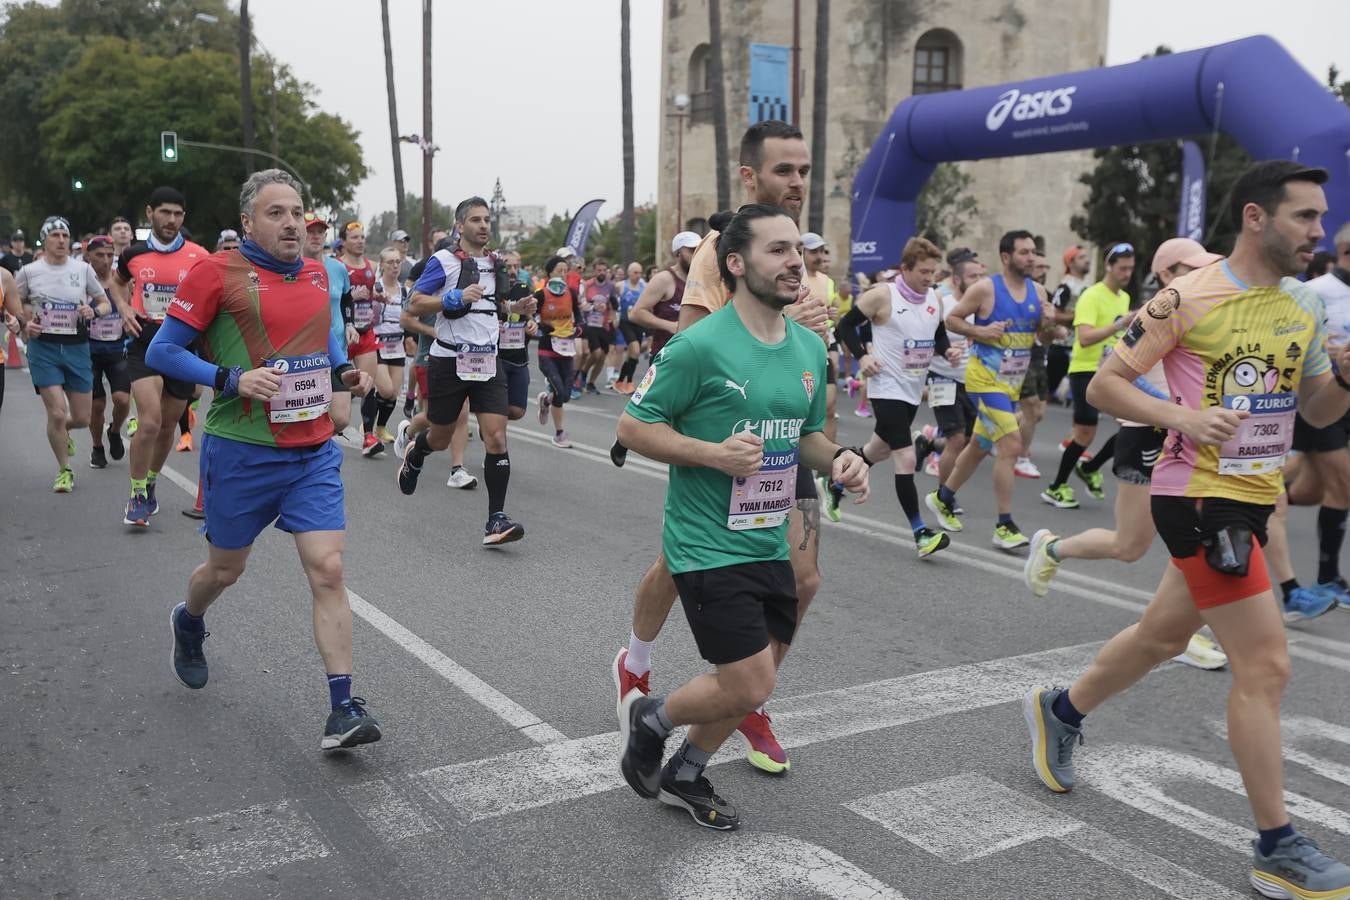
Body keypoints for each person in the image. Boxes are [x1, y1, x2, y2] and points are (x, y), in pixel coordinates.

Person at [1023, 161, 1350, 899]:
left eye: (1321, 218)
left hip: (1251, 497)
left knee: (1163, 637)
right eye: (1306, 217)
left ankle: (1061, 709)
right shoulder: (1188, 296)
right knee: (1265, 666)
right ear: (1257, 218)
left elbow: (1319, 414)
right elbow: (1105, 382)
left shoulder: (1302, 307)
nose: (1318, 232)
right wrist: (1182, 416)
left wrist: (1345, 381)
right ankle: (1278, 847)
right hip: (1198, 498)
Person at [616, 204, 868, 830]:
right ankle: (653, 717)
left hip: (768, 538)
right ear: (736, 263)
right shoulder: (698, 346)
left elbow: (805, 433)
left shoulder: (809, 346)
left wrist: (839, 457)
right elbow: (633, 426)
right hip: (707, 542)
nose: (795, 263)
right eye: (778, 251)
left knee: (754, 678)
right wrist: (713, 454)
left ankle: (686, 769)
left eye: (799, 252)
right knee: (751, 683)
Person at [613, 121, 830, 775]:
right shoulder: (722, 252)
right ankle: (641, 662)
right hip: (727, 436)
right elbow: (697, 344)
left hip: (784, 437)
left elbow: (801, 341)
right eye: (784, 171)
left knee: (804, 579)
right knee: (681, 565)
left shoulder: (798, 248)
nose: (797, 182)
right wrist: (707, 448)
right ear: (749, 176)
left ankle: (746, 695)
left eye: (804, 170)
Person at [144, 169, 380, 750]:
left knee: (328, 569)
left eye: (297, 212)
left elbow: (325, 355)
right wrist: (230, 378)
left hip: (311, 450)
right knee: (225, 570)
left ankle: (342, 707)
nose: (292, 223)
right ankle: (190, 620)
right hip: (242, 452)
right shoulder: (214, 273)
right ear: (248, 222)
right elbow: (162, 351)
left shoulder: (323, 274)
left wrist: (344, 375)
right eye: (277, 213)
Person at [1024, 237, 1235, 669]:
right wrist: (1176, 409)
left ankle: (1183, 628)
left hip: (1190, 442)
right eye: (1190, 268)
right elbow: (1115, 376)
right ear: (1165, 274)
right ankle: (1052, 549)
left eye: (1205, 266)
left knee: (1200, 532)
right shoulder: (1156, 311)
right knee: (1130, 545)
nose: (1202, 274)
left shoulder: (1207, 311)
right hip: (1144, 436)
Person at [397, 196, 527, 545]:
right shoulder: (443, 261)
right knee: (439, 437)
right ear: (460, 226)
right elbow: (414, 303)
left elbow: (495, 307)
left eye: (486, 220)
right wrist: (452, 299)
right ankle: (417, 451)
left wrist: (517, 307)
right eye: (475, 220)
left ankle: (495, 520)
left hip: (487, 361)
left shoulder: (498, 263)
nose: (483, 225)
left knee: (496, 437)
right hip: (449, 361)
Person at [836, 237, 958, 555]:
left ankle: (833, 483)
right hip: (885, 386)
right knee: (905, 456)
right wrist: (862, 357)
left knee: (877, 450)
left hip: (912, 389)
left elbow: (938, 333)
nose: (930, 278)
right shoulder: (881, 295)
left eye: (933, 272)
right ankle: (920, 533)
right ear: (904, 269)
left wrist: (949, 352)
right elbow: (845, 327)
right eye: (923, 272)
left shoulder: (934, 298)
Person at [925, 230, 1044, 549]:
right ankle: (1004, 525)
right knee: (1010, 445)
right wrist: (982, 331)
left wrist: (1053, 330)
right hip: (982, 379)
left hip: (1011, 382)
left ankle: (943, 496)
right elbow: (952, 321)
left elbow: (1044, 330)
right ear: (1006, 257)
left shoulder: (1038, 292)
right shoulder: (986, 288)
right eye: (1023, 252)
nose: (1031, 257)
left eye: (1033, 252)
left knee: (978, 444)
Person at [111, 187, 210, 524]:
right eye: (165, 212)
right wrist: (123, 306)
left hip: (181, 346)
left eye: (178, 214)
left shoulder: (199, 255)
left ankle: (150, 484)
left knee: (168, 425)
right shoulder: (133, 254)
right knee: (150, 420)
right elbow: (116, 281)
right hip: (144, 341)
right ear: (150, 212)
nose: (171, 220)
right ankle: (137, 494)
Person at [14, 217, 112, 490]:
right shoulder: (29, 272)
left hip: (77, 347)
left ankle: (65, 430)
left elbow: (104, 303)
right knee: (56, 413)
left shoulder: (82, 269)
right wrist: (25, 322)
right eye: (54, 235)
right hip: (43, 348)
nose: (60, 240)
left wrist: (93, 311)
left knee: (81, 417)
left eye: (64, 235)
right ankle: (64, 469)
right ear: (44, 240)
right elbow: (14, 303)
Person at [1041, 243, 1138, 508]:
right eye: (1122, 268)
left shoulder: (1124, 298)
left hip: (1112, 372)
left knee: (1132, 426)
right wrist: (1120, 324)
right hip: (1085, 370)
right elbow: (1084, 338)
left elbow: (1119, 336)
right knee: (1085, 434)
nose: (1127, 273)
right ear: (1108, 266)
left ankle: (1090, 467)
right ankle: (1056, 487)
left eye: (1131, 268)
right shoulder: (1092, 295)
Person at [1295, 221, 1350, 605]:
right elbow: (1285, 341)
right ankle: (1328, 578)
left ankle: (1257, 505)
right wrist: (1321, 351)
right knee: (1345, 485)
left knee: (1311, 490)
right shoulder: (1314, 291)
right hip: (1320, 399)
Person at [914, 252, 983, 482]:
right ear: (956, 279)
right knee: (956, 439)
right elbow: (922, 344)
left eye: (981, 276)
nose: (979, 281)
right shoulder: (944, 305)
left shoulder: (983, 308)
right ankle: (944, 497)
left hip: (972, 381)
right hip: (941, 376)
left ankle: (928, 444)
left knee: (973, 439)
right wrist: (945, 352)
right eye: (973, 276)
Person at [84, 235, 131, 469]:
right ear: (88, 256)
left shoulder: (121, 282)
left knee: (122, 399)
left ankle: (114, 430)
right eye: (99, 255)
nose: (105, 260)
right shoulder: (82, 281)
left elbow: (131, 308)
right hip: (89, 350)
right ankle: (97, 447)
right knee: (97, 405)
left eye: (109, 255)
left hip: (116, 348)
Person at [337, 222, 383, 456]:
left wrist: (379, 296)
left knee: (368, 385)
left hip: (365, 333)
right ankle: (330, 427)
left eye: (363, 237)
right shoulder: (337, 267)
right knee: (340, 393)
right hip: (343, 336)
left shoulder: (372, 266)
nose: (360, 241)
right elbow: (332, 299)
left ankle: (369, 436)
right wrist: (351, 297)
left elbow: (378, 294)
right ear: (343, 241)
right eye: (354, 237)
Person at [533, 254, 583, 448]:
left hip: (566, 349)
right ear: (550, 272)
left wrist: (579, 329)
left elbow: (579, 317)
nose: (563, 273)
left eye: (565, 270)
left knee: (566, 395)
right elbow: (531, 317)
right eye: (559, 270)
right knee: (559, 391)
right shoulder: (541, 294)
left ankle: (546, 401)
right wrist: (540, 326)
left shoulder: (570, 292)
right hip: (547, 350)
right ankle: (559, 433)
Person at [1014, 252, 1055, 478]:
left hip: (1038, 355)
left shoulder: (1041, 293)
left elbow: (1046, 334)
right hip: (1016, 355)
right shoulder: (1009, 290)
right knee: (1030, 407)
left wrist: (1051, 324)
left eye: (1044, 266)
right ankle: (1020, 457)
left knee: (1038, 412)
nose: (1041, 270)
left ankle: (994, 430)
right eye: (1038, 265)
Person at [370, 246, 407, 444]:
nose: (394, 266)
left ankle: (380, 428)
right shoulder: (375, 288)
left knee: (393, 393)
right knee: (385, 389)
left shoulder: (405, 290)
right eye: (390, 262)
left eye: (397, 262)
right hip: (378, 344)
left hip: (397, 345)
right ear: (382, 264)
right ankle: (368, 425)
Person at [495, 251, 537, 424]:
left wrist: (532, 324)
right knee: (496, 408)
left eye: (515, 267)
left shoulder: (522, 289)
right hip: (496, 359)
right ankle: (492, 426)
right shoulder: (492, 289)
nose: (512, 271)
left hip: (519, 357)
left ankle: (489, 421)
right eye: (507, 266)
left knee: (517, 411)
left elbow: (530, 315)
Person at [1046, 245, 1091, 401]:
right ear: (1070, 263)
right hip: (1061, 347)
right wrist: (1080, 316)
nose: (1087, 261)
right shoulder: (1065, 286)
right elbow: (1054, 314)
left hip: (1080, 346)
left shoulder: (1088, 285)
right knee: (1044, 395)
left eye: (1087, 257)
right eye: (1081, 257)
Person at [579, 258, 618, 394]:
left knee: (602, 357)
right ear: (594, 271)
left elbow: (613, 304)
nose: (602, 272)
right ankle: (583, 373)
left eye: (604, 270)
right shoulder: (587, 285)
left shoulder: (610, 286)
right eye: (599, 270)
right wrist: (592, 307)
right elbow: (581, 305)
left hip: (604, 325)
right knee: (596, 353)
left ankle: (591, 382)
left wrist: (613, 318)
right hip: (589, 325)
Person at [613, 261, 646, 393]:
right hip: (625, 323)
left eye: (640, 273)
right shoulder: (620, 286)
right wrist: (613, 316)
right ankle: (630, 382)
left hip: (638, 323)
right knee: (636, 350)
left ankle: (620, 381)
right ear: (629, 273)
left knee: (633, 354)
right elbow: (611, 300)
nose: (638, 275)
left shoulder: (645, 286)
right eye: (635, 272)